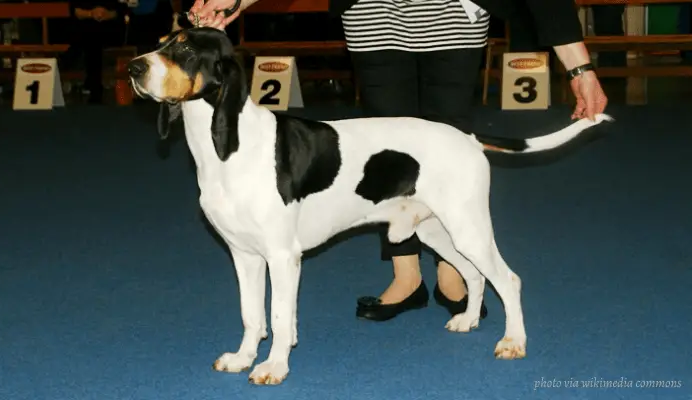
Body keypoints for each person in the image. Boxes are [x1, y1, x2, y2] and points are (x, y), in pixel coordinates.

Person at [187, 0, 608, 321]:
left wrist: (579, 68)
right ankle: (406, 276)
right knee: (381, 161)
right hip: (374, 13)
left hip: (453, 13)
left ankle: (453, 269)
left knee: (446, 146)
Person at [67, 0, 127, 103]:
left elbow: (122, 9)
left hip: (111, 28)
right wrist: (90, 14)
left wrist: (108, 14)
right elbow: (74, 10)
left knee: (93, 37)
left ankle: (93, 85)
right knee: (91, 36)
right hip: (84, 28)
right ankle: (94, 86)